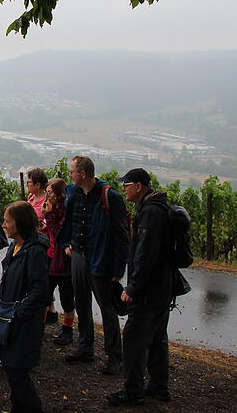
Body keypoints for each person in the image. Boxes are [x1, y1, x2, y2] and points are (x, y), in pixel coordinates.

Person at [107, 168, 174, 406]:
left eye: (126, 185)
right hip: (162, 288)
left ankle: (133, 391)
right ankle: (158, 387)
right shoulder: (156, 207)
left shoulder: (151, 213)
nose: (123, 189)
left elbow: (145, 254)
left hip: (149, 291)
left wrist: (133, 287)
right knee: (156, 338)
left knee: (134, 338)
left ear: (138, 186)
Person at [61, 155, 130, 375]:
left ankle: (114, 356)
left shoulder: (110, 196)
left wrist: (119, 269)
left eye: (72, 171)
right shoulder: (74, 192)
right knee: (81, 302)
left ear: (82, 174)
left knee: (106, 308)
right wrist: (67, 243)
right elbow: (69, 220)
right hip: (79, 255)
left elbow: (122, 235)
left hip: (100, 259)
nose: (70, 175)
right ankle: (85, 347)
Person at [0, 201, 50, 413]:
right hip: (12, 317)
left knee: (17, 370)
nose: (4, 225)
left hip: (24, 322)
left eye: (7, 221)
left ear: (18, 224)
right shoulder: (15, 246)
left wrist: (20, 313)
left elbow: (40, 291)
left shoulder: (34, 252)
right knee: (11, 367)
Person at [43, 178, 76, 345]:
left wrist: (48, 216)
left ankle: (67, 330)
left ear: (58, 195)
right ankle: (39, 325)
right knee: (44, 293)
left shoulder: (64, 212)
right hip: (51, 256)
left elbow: (58, 233)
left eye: (50, 193)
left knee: (66, 296)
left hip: (63, 261)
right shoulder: (55, 209)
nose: (47, 196)